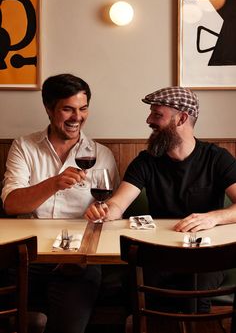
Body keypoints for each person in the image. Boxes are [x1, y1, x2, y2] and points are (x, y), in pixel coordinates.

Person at [85, 85, 236, 312]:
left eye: (157, 115)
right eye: (151, 113)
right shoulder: (146, 161)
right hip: (158, 254)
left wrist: (212, 218)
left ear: (182, 118)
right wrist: (104, 211)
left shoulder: (217, 158)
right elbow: (118, 203)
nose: (149, 120)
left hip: (205, 256)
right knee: (134, 286)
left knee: (195, 293)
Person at [1, 73, 120, 333]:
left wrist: (102, 212)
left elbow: (112, 213)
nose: (77, 117)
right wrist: (53, 183)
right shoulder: (24, 147)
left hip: (77, 262)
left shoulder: (102, 155)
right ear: (48, 109)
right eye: (68, 109)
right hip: (27, 258)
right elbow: (11, 204)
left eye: (83, 108)